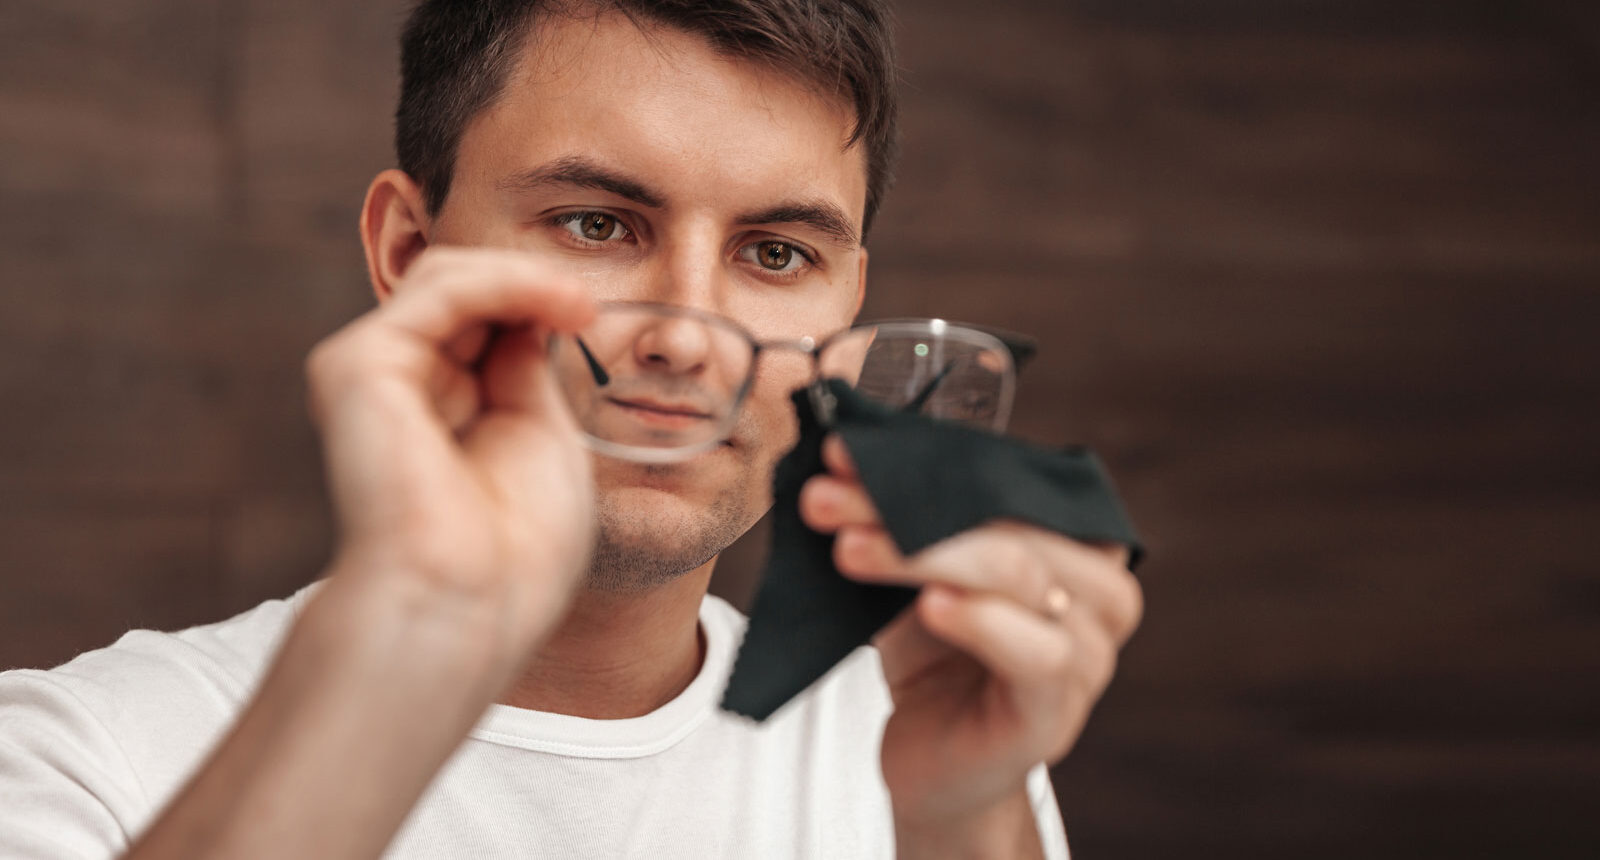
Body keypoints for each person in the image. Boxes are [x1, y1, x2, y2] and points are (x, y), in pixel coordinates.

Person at [0, 1, 1143, 857]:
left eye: (777, 253)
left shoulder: (921, 752)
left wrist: (963, 818)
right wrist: (403, 639)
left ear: (848, 302)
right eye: (597, 222)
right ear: (409, 253)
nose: (689, 338)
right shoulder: (78, 759)